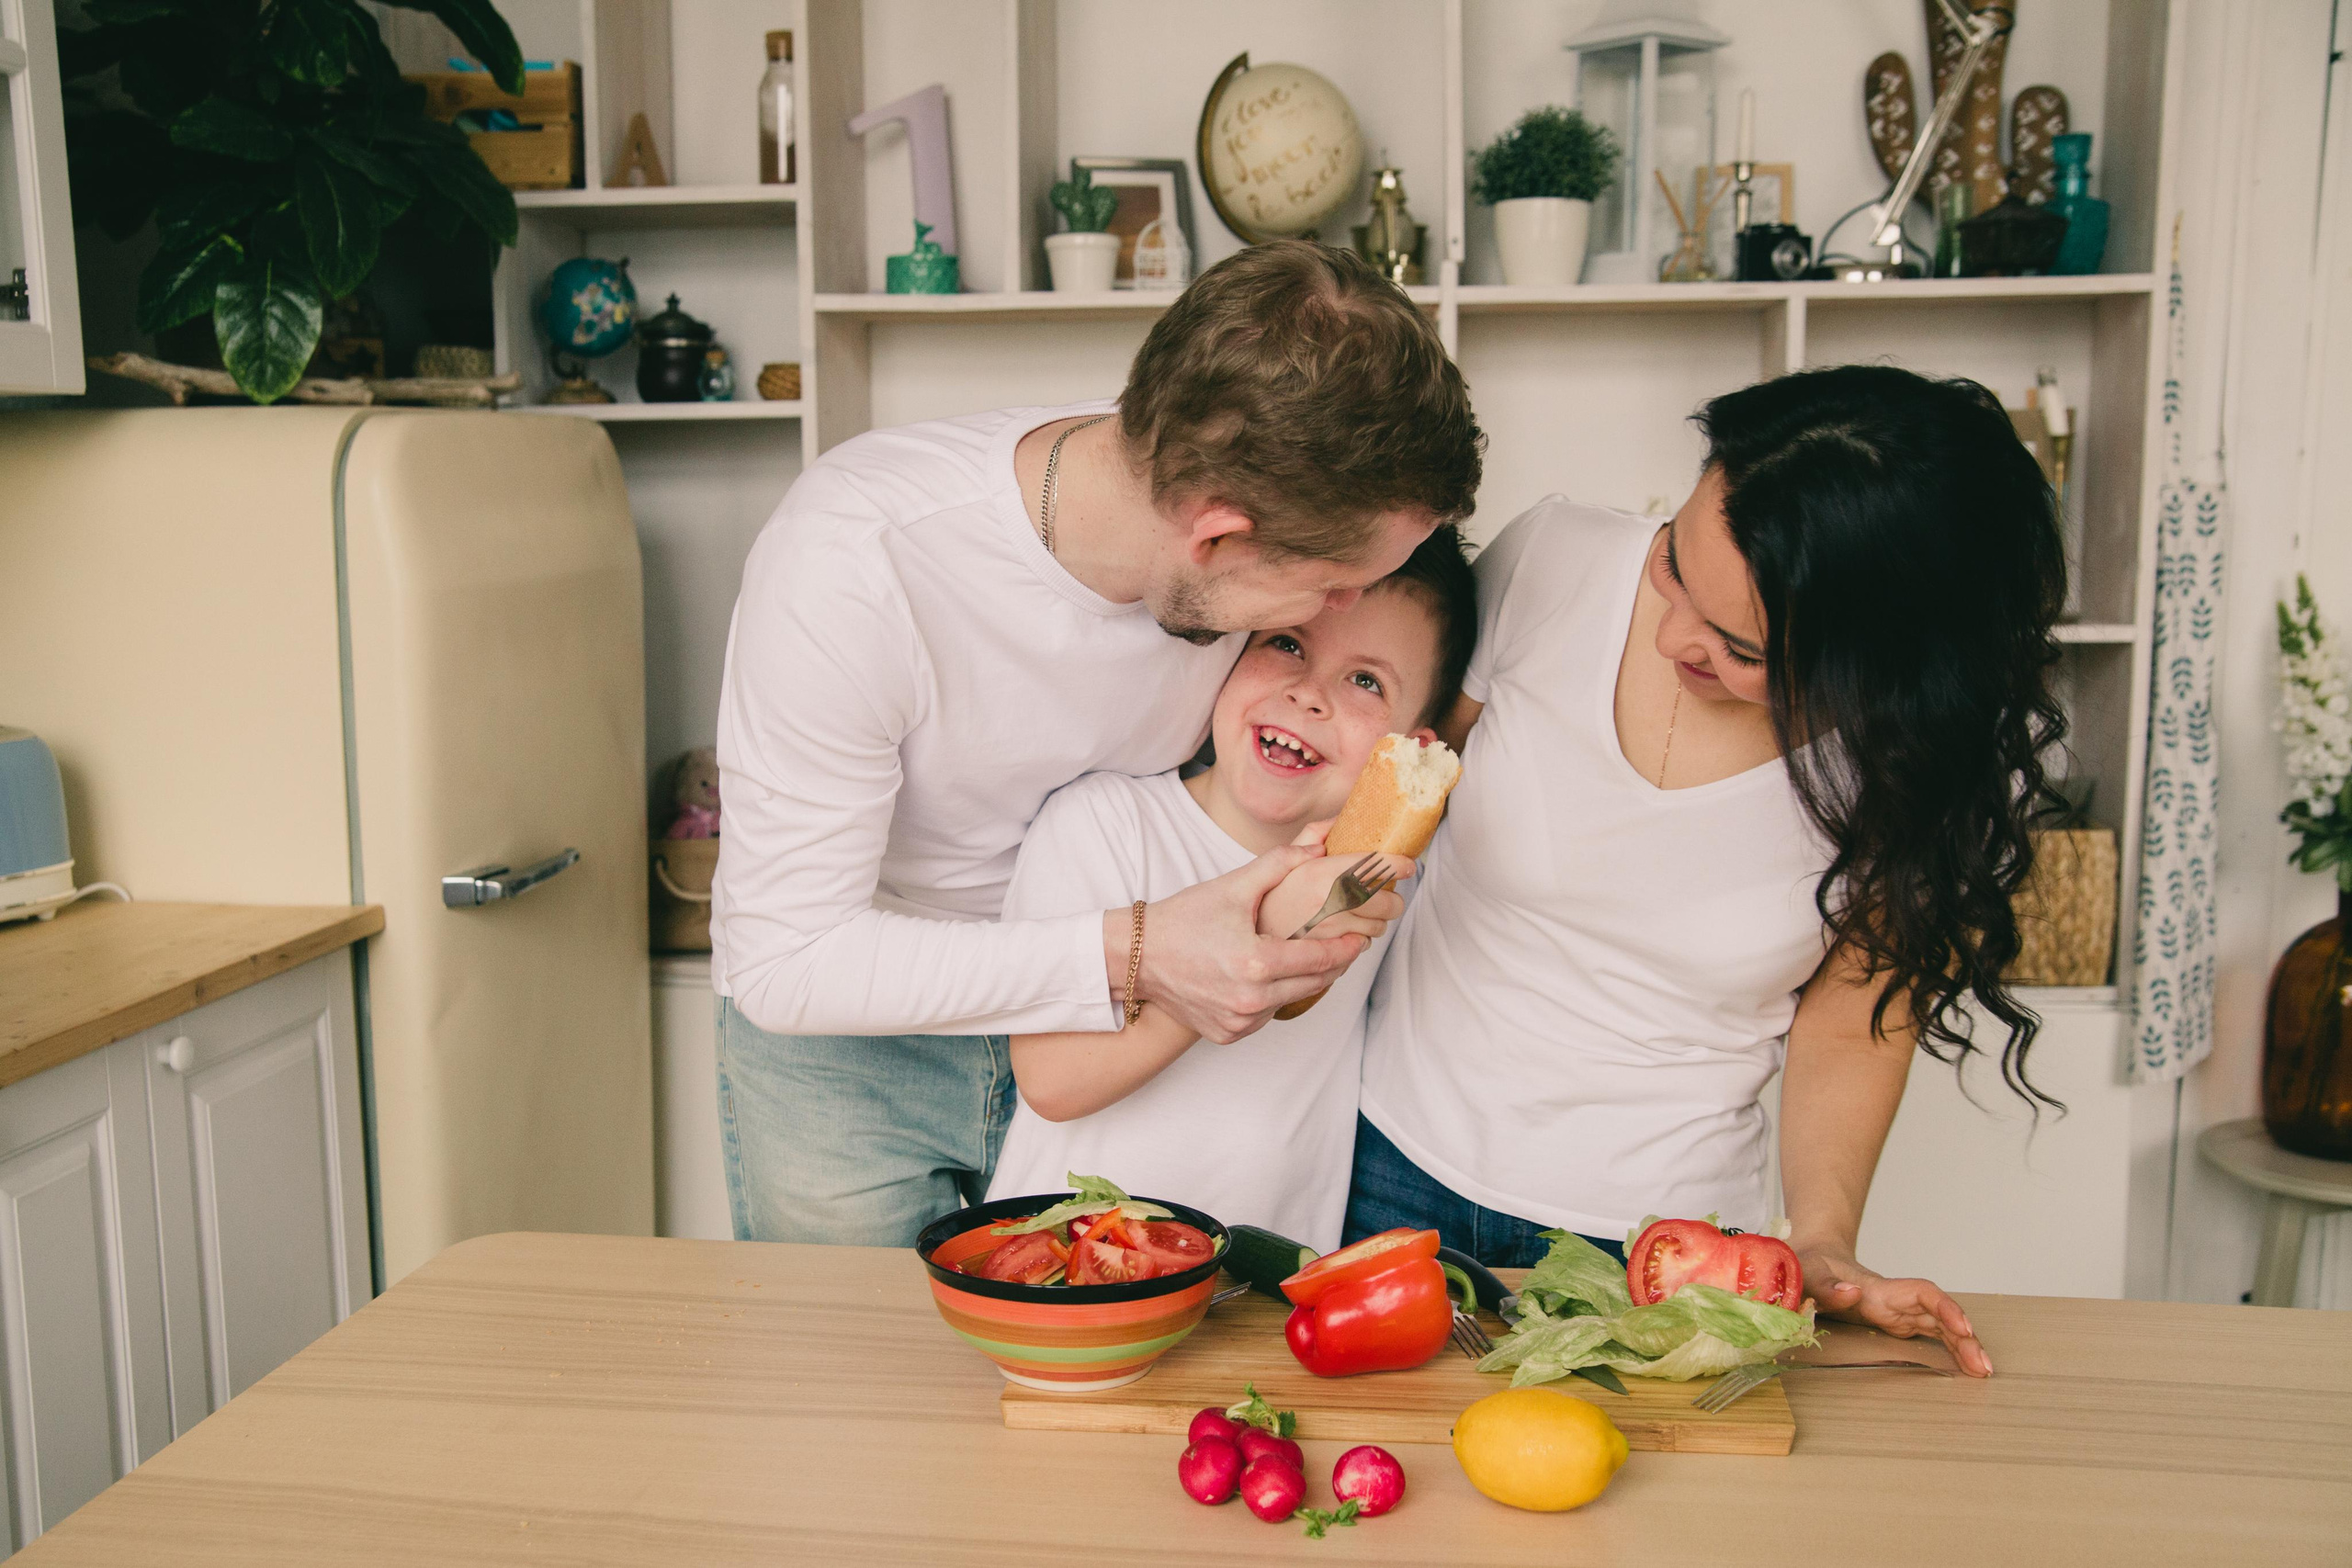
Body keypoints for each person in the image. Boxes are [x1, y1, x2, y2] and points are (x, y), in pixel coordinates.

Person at [711, 241, 1486, 1247]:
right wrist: (1143, 953)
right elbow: (789, 962)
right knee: (853, 1376)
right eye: (1328, 590)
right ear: (1215, 537)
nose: (1341, 614)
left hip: (1109, 1032)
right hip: (854, 1039)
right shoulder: (855, 563)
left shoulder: (1247, 455)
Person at [1352, 366, 2067, 1379]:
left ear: (1870, 670)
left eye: (1738, 645)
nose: (1672, 633)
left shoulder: (1909, 768)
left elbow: (1854, 1016)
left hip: (1660, 1246)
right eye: (1674, 563)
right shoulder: (1549, 559)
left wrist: (1821, 1240)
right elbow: (1401, 792)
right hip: (1386, 1163)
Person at [984, 528, 1478, 1251]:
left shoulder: (1386, 883)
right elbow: (1053, 1081)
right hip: (1071, 1271)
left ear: (1414, 747)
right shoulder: (1104, 821)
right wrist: (1264, 930)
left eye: (1367, 681)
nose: (1308, 694)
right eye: (1287, 643)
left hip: (1260, 1285)